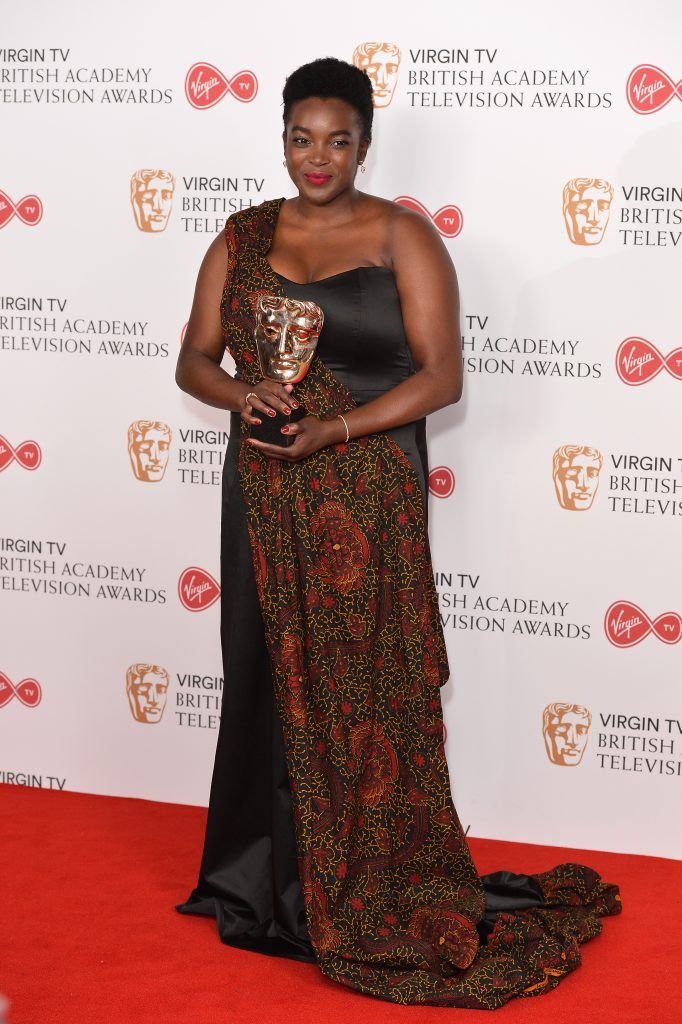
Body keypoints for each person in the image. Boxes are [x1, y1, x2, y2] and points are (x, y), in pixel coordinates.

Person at [174, 57, 621, 1009]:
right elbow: (192, 361)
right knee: (266, 672)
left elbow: (441, 377)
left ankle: (366, 881)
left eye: (339, 139)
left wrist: (332, 427)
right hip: (263, 495)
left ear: (365, 142)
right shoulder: (243, 236)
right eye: (302, 137)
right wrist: (241, 390)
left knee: (365, 682)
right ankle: (266, 878)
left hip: (366, 496)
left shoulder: (401, 235)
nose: (319, 157)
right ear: (282, 139)